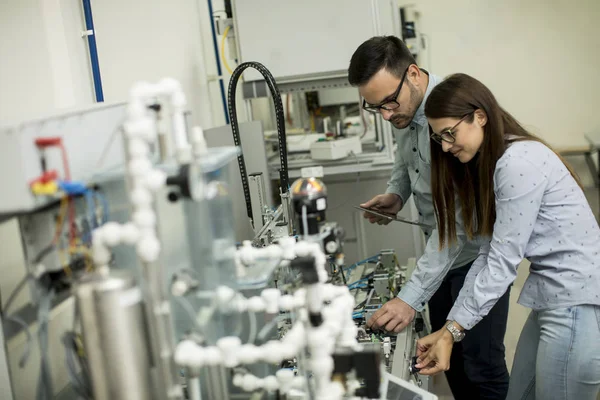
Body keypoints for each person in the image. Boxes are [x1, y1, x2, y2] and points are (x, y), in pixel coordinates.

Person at [415, 73, 600, 400]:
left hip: (575, 300)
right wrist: (448, 330)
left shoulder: (516, 162)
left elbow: (501, 264)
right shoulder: (497, 162)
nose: (444, 146)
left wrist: (452, 332)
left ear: (480, 117)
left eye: (449, 133)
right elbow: (487, 255)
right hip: (554, 299)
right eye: (437, 138)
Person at [348, 36, 510, 399]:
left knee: (481, 365)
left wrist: (409, 298)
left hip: (477, 259)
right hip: (440, 260)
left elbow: (454, 226)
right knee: (444, 358)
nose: (387, 115)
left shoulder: (450, 118)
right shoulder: (407, 113)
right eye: (377, 108)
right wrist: (396, 193)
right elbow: (406, 159)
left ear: (414, 74)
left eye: (390, 103)